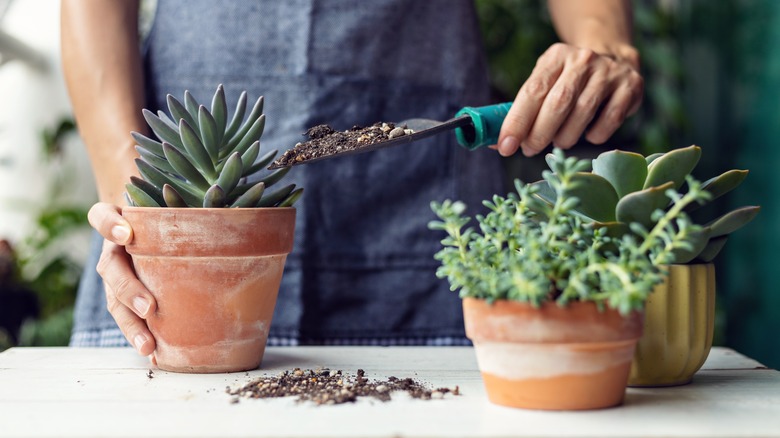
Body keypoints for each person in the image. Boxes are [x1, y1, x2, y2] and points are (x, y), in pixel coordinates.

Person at [61, 0, 643, 356]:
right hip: (179, 221)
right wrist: (134, 198)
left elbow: (596, 25)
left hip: (424, 227)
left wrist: (603, 43)